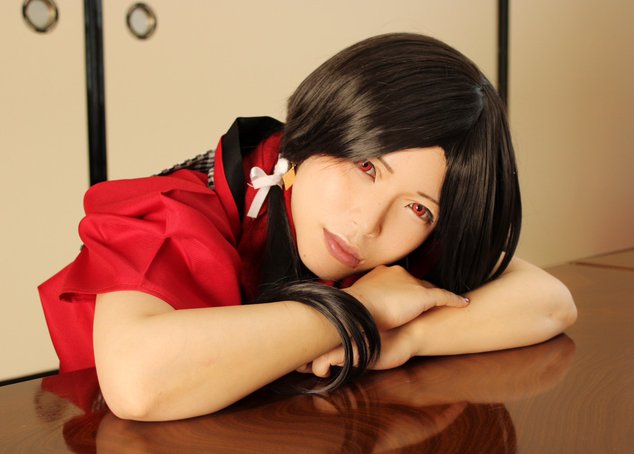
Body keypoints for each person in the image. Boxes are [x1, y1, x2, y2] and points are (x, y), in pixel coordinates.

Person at [38, 33, 577, 421]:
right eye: (365, 166)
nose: (367, 223)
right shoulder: (182, 206)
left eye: (419, 208)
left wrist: (406, 337)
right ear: (319, 128)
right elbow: (138, 383)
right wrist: (361, 312)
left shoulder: (397, 240)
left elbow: (549, 302)